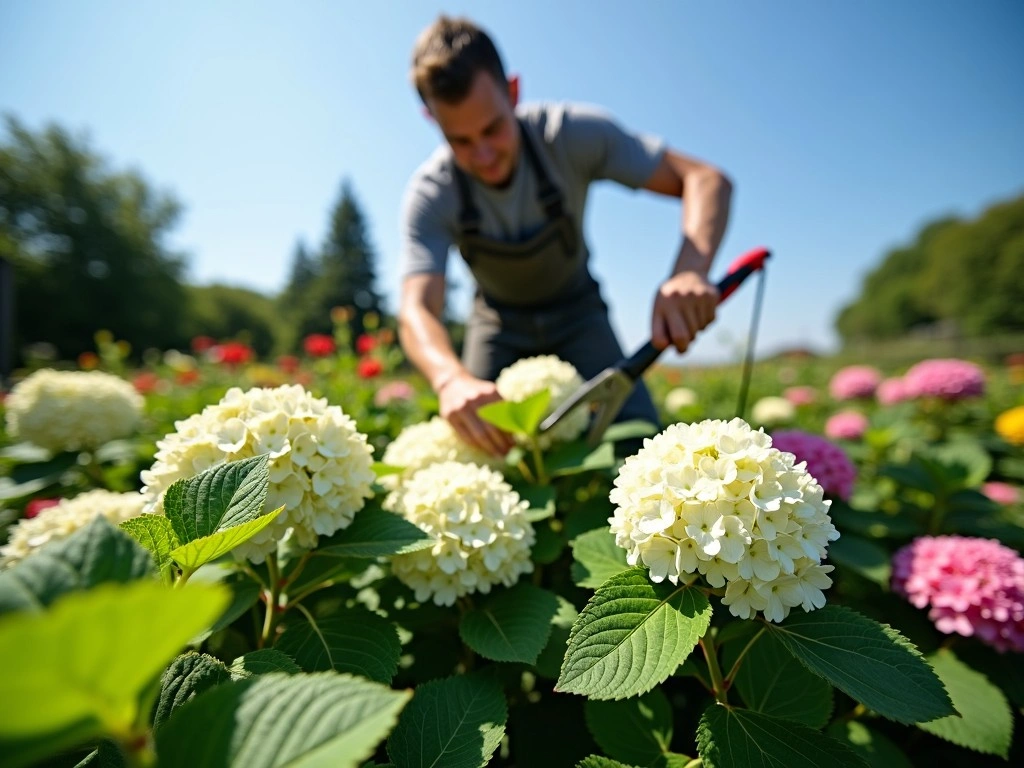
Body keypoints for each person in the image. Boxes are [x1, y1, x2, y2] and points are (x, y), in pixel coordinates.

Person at [397, 15, 733, 457]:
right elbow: (417, 308)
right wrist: (449, 378)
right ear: (431, 119)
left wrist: (689, 273)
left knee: (638, 441)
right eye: (459, 140)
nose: (483, 155)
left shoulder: (572, 135)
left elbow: (706, 180)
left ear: (513, 92)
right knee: (483, 451)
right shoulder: (431, 193)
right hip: (497, 325)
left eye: (493, 129)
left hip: (580, 313)